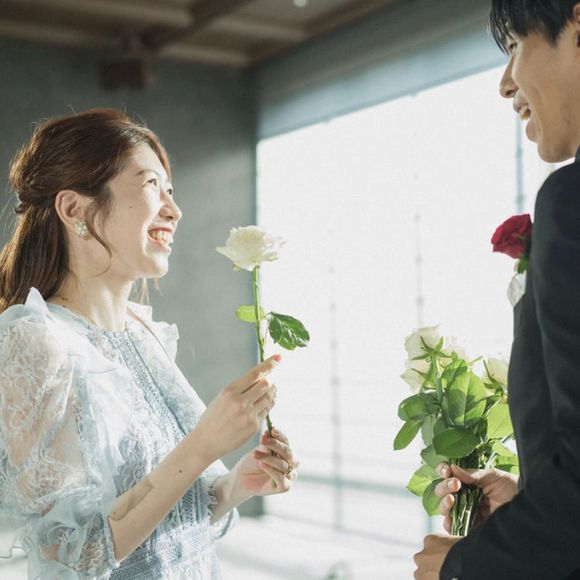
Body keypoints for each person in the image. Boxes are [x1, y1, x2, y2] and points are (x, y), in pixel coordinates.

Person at [0, 108, 299, 579]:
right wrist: (201, 446)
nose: (174, 210)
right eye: (150, 185)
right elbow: (71, 557)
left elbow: (167, 525)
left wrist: (235, 485)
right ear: (74, 209)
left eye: (171, 190)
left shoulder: (144, 332)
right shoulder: (35, 341)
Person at [413, 1, 580, 578]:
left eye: (514, 45)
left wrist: (463, 565)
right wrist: (530, 501)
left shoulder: (571, 202)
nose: (506, 82)